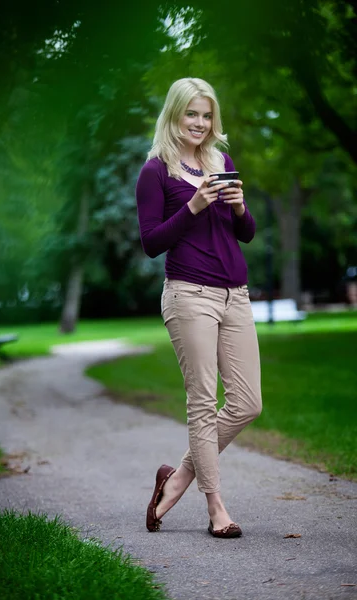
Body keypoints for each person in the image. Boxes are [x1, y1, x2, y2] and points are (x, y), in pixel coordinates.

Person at [136, 77, 262, 538]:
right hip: (189, 293)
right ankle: (216, 509)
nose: (200, 123)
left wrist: (239, 206)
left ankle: (179, 477)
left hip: (235, 293)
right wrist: (192, 206)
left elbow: (244, 233)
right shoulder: (155, 171)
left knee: (248, 403)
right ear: (174, 114)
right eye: (192, 113)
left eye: (207, 115)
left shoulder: (220, 161)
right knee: (203, 405)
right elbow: (151, 242)